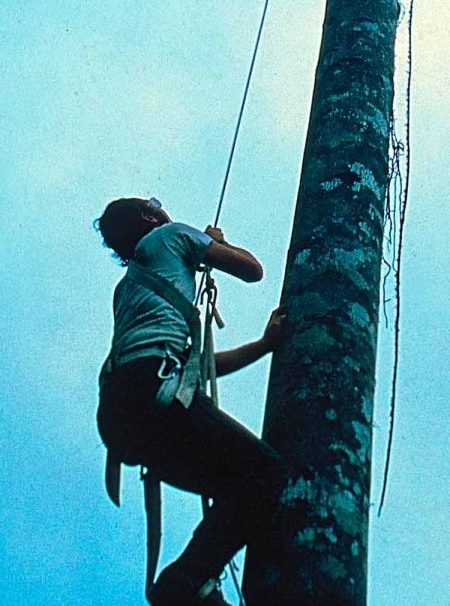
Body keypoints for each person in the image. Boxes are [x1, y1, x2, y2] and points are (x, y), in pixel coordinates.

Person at [95, 196, 288, 606]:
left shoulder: (127, 288)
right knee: (265, 475)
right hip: (154, 393)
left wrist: (263, 346)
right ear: (150, 217)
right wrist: (214, 241)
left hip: (126, 409)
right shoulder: (171, 235)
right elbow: (252, 270)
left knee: (240, 486)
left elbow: (198, 367)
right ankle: (186, 580)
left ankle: (197, 588)